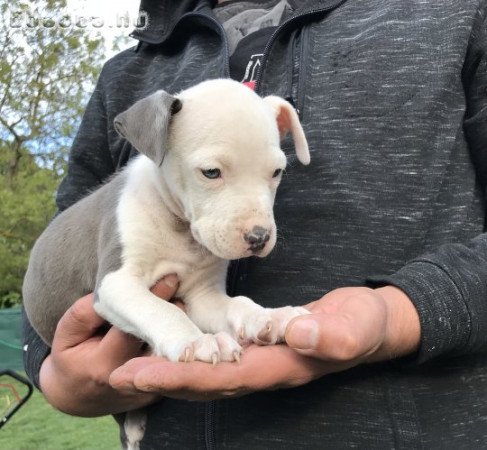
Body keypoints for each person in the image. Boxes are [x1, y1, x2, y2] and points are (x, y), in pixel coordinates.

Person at [23, 0, 487, 448]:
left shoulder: (455, 14)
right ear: (157, 141)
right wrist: (54, 372)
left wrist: (402, 314)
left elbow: (205, 296)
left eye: (274, 172)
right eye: (211, 173)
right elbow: (105, 286)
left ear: (284, 125)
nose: (257, 226)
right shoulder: (129, 80)